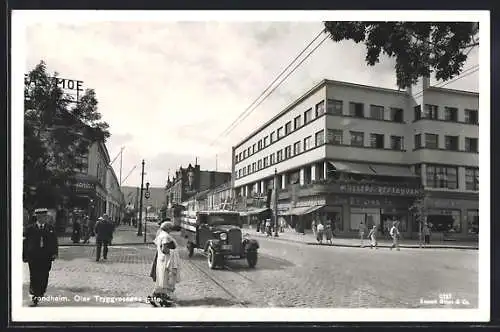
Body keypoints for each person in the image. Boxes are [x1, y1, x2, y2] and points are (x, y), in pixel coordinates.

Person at [23, 213, 58, 306]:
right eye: (42, 217)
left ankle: (41, 291)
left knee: (44, 275)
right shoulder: (30, 228)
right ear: (38, 218)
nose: (44, 218)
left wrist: (55, 253)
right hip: (33, 256)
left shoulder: (50, 228)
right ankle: (35, 296)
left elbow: (55, 241)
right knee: (34, 276)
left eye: (45, 217)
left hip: (46, 257)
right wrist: (24, 255)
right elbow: (25, 242)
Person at [149, 221, 181, 307]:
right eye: (171, 228)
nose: (171, 230)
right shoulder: (165, 236)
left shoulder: (161, 234)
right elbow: (164, 249)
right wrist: (173, 251)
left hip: (161, 260)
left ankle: (157, 297)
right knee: (166, 279)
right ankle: (162, 298)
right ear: (168, 229)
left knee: (161, 279)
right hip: (167, 260)